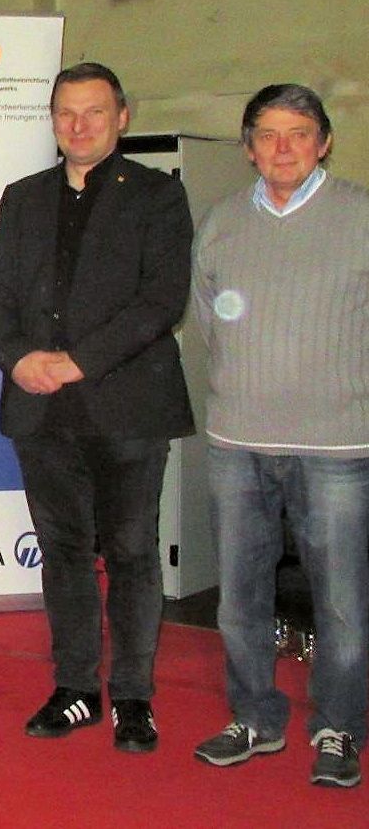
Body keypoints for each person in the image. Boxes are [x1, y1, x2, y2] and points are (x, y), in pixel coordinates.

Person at [0, 62, 193, 754]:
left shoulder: (157, 196)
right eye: (66, 112)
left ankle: (132, 697)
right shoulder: (23, 197)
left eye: (95, 111)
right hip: (40, 409)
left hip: (126, 406)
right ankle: (74, 688)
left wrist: (78, 362)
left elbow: (161, 300)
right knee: (64, 553)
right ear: (52, 120)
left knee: (130, 553)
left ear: (122, 117)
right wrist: (17, 358)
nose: (79, 125)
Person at [190, 84, 368, 789]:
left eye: (299, 133)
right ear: (248, 148)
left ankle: (339, 726)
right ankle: (255, 717)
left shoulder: (360, 216)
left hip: (338, 446)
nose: (283, 147)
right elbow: (210, 319)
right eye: (267, 134)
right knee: (239, 597)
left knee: (343, 602)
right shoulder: (222, 221)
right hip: (238, 441)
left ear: (324, 142)